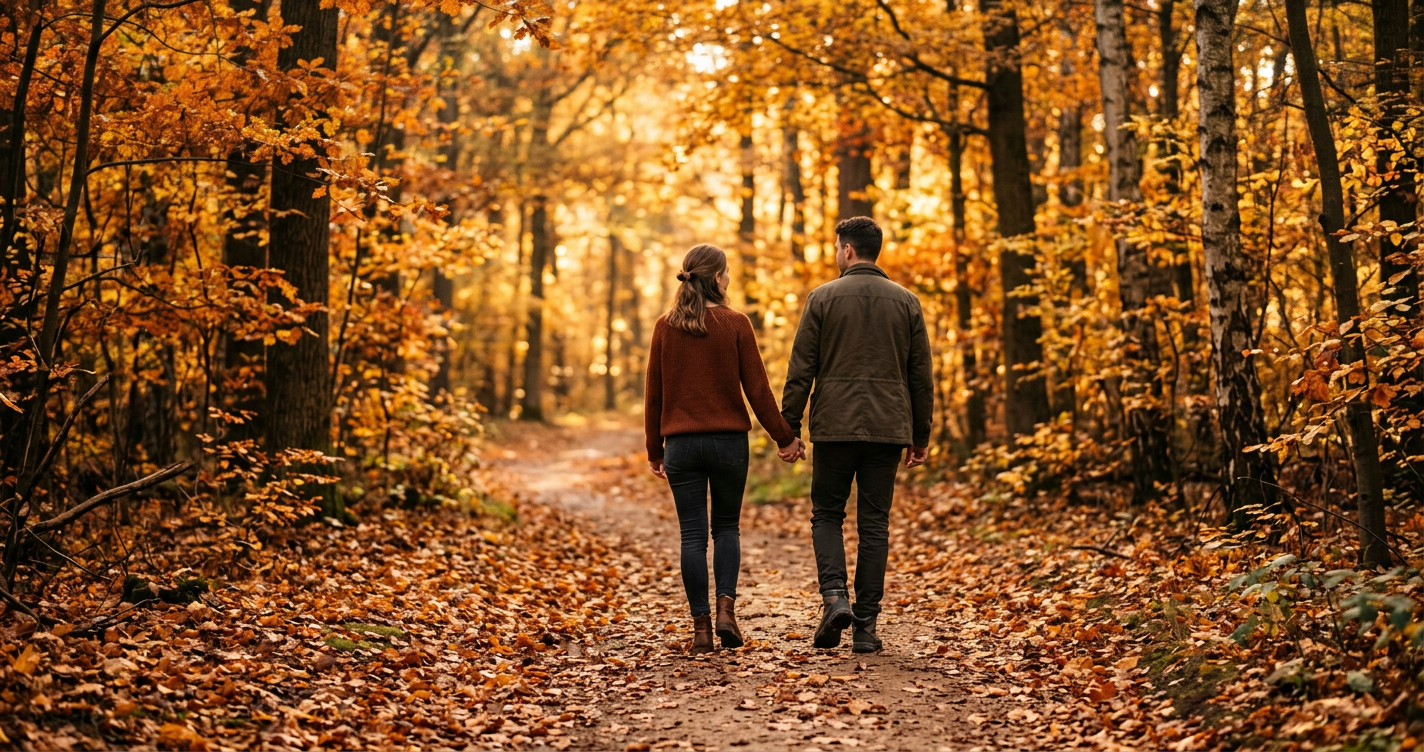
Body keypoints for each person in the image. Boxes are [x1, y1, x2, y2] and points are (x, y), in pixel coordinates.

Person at [778, 216, 933, 653]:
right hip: (888, 428)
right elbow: (921, 376)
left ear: (847, 250)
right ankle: (865, 628)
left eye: (836, 248)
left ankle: (834, 599)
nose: (836, 254)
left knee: (827, 515)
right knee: (874, 524)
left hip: (834, 426)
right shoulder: (907, 302)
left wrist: (788, 429)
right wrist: (920, 436)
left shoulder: (821, 298)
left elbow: (801, 368)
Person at [644, 244, 804, 654]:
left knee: (692, 535)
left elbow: (654, 395)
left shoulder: (665, 327)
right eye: (727, 272)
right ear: (717, 278)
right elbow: (758, 390)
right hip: (729, 443)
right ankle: (726, 613)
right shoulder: (736, 323)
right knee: (727, 528)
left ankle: (701, 630)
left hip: (681, 445)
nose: (729, 277)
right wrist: (785, 437)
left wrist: (654, 450)